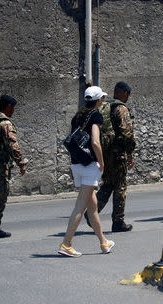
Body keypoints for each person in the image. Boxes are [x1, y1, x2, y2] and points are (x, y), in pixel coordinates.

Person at [58, 86, 114, 257]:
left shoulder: (78, 116)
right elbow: (96, 143)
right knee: (80, 208)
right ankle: (66, 243)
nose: (103, 101)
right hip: (90, 165)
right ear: (98, 100)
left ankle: (104, 242)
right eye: (102, 99)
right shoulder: (95, 116)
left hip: (77, 164)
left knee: (93, 207)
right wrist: (102, 163)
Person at [0, 95, 27, 239]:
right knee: (0, 195)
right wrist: (21, 163)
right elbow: (12, 144)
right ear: (8, 106)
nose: (14, 110)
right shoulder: (5, 124)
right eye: (13, 107)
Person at [94, 81, 136, 232]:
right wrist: (130, 153)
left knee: (109, 184)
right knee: (120, 186)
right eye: (128, 94)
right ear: (123, 92)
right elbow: (127, 133)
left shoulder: (103, 106)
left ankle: (92, 212)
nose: (128, 97)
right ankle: (118, 221)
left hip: (104, 152)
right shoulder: (120, 108)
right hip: (117, 154)